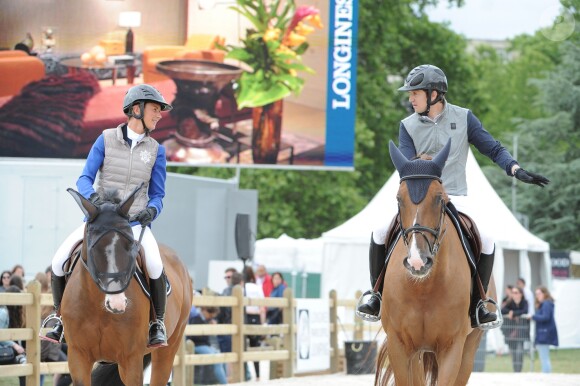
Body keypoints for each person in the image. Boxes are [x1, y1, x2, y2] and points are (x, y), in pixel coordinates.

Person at [357, 64, 550, 328]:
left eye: (415, 93)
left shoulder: (464, 117)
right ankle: (376, 296)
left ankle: (481, 303)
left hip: (456, 194)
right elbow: (407, 166)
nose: (410, 98)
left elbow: (492, 148)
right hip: (421, 197)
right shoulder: (407, 125)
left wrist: (516, 169)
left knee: (488, 238)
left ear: (433, 94)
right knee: (379, 231)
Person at [42, 84, 173, 347]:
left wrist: (152, 210)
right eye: (155, 109)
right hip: (100, 221)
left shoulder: (157, 150)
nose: (159, 115)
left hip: (133, 223)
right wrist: (93, 199)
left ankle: (156, 323)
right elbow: (84, 178)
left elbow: (158, 194)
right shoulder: (105, 139)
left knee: (156, 266)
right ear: (137, 109)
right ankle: (58, 319)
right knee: (58, 261)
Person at [186, 306, 228, 384]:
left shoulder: (205, 320)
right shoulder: (196, 318)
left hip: (205, 345)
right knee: (217, 359)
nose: (211, 317)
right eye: (210, 315)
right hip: (197, 345)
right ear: (205, 311)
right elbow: (193, 337)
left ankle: (223, 381)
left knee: (221, 357)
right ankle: (224, 383)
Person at [242, 265, 265, 381]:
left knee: (242, 346)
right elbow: (262, 307)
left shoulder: (242, 288)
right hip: (255, 317)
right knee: (255, 346)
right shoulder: (257, 287)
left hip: (243, 317)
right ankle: (258, 375)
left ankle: (244, 374)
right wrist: (262, 323)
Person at [500, 286, 529, 372]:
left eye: (516, 292)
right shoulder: (510, 302)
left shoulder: (524, 302)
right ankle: (515, 371)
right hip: (510, 332)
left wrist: (513, 313)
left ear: (521, 294)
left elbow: (525, 311)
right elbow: (502, 310)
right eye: (513, 292)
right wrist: (510, 312)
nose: (514, 294)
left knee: (519, 351)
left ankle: (519, 370)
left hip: (521, 332)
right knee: (513, 352)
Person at [531, 285, 558, 373]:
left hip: (544, 333)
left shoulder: (546, 303)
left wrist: (533, 316)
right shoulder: (545, 303)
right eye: (536, 294)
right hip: (544, 332)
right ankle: (546, 374)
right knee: (544, 357)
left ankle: (546, 375)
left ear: (545, 293)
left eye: (539, 293)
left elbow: (546, 317)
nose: (537, 296)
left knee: (544, 357)